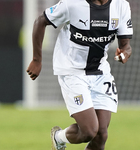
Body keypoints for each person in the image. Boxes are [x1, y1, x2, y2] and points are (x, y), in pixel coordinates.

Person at [26, 0, 133, 149]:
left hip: (101, 73)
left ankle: (59, 138)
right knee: (89, 131)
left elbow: (125, 45)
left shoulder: (121, 5)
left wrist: (124, 54)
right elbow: (40, 21)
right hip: (72, 72)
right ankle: (59, 138)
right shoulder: (72, 3)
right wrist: (37, 60)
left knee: (101, 134)